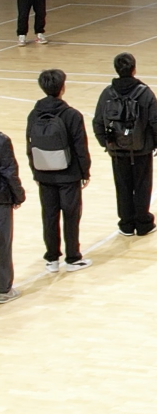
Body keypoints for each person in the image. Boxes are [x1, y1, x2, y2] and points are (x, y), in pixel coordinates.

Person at [92, 51, 157, 237]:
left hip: (117, 149)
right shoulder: (144, 92)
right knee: (142, 185)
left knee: (122, 186)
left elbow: (97, 121)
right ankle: (143, 223)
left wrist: (105, 143)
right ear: (134, 69)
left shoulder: (107, 93)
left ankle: (126, 224)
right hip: (141, 148)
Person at [27, 69, 91, 272]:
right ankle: (73, 258)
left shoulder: (33, 114)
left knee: (49, 216)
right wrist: (85, 172)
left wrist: (35, 170)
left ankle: (52, 259)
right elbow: (80, 147)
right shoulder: (72, 115)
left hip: (44, 173)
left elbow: (30, 145)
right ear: (62, 88)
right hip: (69, 174)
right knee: (71, 216)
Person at [0, 123, 24, 303]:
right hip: (1, 199)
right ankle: (3, 289)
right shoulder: (2, 141)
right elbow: (9, 172)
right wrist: (19, 195)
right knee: (2, 244)